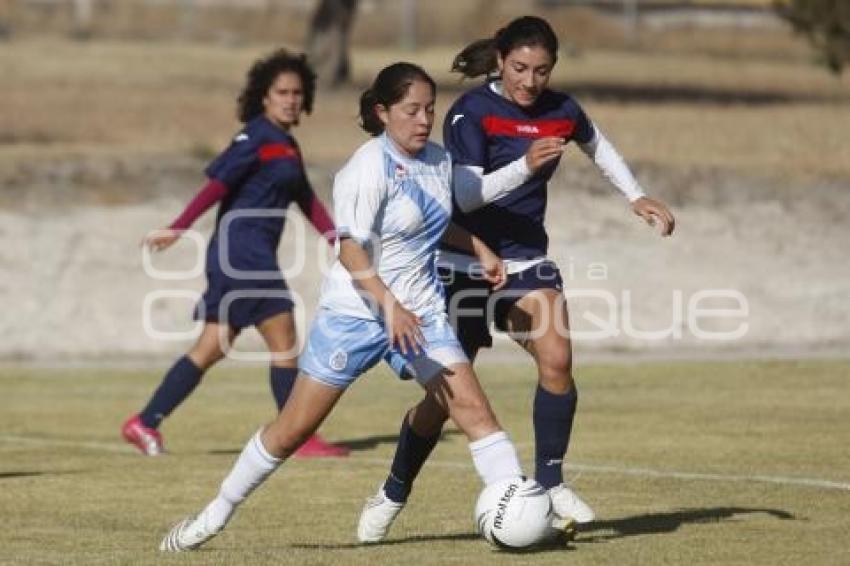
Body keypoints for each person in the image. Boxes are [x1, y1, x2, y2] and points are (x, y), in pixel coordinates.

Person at [159, 62, 531, 552]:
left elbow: (432, 221)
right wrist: (388, 305)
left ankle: (519, 509)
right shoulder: (366, 167)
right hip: (354, 315)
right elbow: (349, 247)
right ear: (383, 112)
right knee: (293, 431)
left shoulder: (439, 161)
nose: (424, 120)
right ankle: (214, 514)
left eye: (430, 110)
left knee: (472, 410)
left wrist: (477, 245)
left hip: (419, 314)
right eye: (411, 110)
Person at [359, 15, 676, 538]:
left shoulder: (561, 109)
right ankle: (393, 491)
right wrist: (526, 166)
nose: (530, 81)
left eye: (543, 70)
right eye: (521, 68)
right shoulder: (471, 113)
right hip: (459, 266)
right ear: (501, 60)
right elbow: (464, 196)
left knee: (558, 358)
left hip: (526, 262)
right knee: (442, 404)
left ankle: (550, 484)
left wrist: (635, 194)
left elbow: (597, 144)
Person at [122, 48, 349, 458]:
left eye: (297, 92)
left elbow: (307, 201)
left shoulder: (287, 146)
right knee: (285, 339)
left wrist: (338, 239)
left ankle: (145, 421)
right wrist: (178, 227)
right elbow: (217, 186)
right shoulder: (255, 136)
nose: (291, 99)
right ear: (265, 95)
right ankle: (294, 437)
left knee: (211, 347)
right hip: (240, 255)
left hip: (250, 257)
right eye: (282, 92)